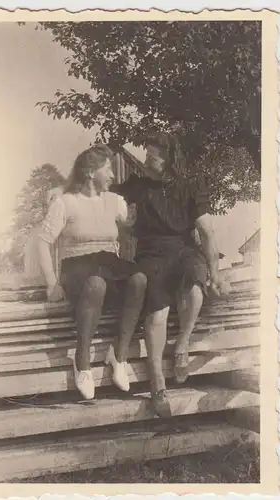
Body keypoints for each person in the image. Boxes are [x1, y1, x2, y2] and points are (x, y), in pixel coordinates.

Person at [110, 131, 224, 417]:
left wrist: (216, 273)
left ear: (169, 158)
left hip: (183, 249)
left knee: (195, 286)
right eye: (146, 155)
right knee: (157, 313)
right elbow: (107, 198)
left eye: (152, 156)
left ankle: (183, 343)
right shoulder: (137, 186)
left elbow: (207, 231)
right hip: (150, 253)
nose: (147, 160)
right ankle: (158, 385)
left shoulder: (190, 186)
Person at [37, 144, 147, 400]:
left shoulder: (115, 201)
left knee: (139, 279)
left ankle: (118, 356)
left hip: (109, 262)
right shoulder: (65, 202)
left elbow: (134, 226)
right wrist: (51, 284)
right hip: (77, 266)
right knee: (96, 283)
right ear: (89, 172)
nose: (113, 175)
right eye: (107, 169)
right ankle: (82, 361)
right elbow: (42, 242)